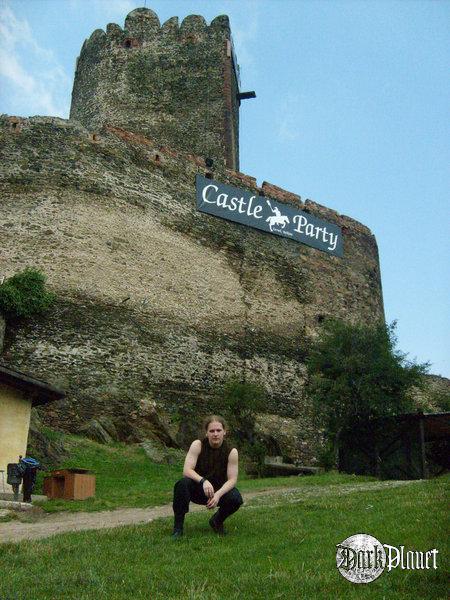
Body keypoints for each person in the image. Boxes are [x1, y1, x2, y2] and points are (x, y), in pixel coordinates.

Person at [172, 415, 243, 539]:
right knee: (182, 484)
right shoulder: (197, 445)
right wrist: (203, 481)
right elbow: (187, 470)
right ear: (206, 433)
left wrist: (218, 494)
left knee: (236, 498)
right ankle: (178, 529)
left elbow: (232, 479)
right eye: (211, 431)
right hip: (199, 489)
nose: (215, 434)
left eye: (218, 430)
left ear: (224, 432)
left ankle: (216, 521)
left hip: (218, 491)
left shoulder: (232, 452)